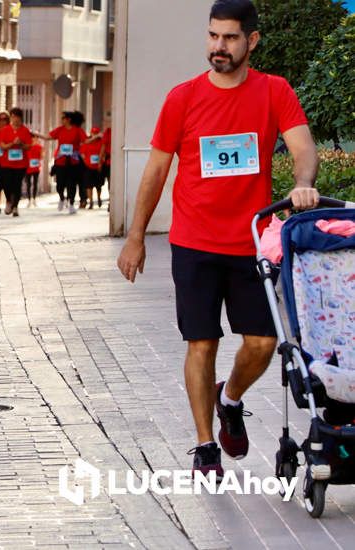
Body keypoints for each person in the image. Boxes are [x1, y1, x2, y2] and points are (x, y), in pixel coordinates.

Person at [116, 0, 319, 478]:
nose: (218, 47)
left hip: (253, 242)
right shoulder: (182, 97)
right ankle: (205, 445)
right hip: (194, 242)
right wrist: (136, 236)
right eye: (212, 36)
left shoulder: (273, 91)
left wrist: (302, 183)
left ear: (251, 41)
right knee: (200, 342)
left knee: (263, 342)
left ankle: (230, 399)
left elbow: (303, 147)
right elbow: (157, 169)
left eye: (229, 38)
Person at [38, 111, 87, 214]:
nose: (61, 120)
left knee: (72, 184)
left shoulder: (77, 130)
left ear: (68, 119)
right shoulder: (60, 130)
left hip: (73, 161)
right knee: (60, 184)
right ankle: (61, 198)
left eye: (63, 118)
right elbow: (48, 137)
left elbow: (85, 140)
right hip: (61, 161)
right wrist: (35, 134)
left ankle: (71, 203)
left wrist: (97, 137)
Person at [0, 107, 33, 217]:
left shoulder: (25, 130)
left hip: (21, 164)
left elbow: (29, 146)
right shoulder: (5, 130)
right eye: (12, 116)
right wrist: (12, 144)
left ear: (20, 118)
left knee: (17, 185)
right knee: (7, 184)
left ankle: (15, 206)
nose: (14, 119)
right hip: (7, 163)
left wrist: (21, 144)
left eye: (16, 116)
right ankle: (8, 201)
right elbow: (1, 145)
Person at [79, 126, 103, 209]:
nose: (95, 135)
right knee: (89, 186)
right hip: (88, 167)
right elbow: (82, 154)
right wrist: (86, 161)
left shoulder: (101, 143)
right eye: (93, 133)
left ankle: (99, 198)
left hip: (98, 167)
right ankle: (91, 202)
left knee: (98, 186)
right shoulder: (87, 143)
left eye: (96, 133)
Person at [25, 137, 43, 207]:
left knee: (35, 183)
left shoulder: (39, 147)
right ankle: (29, 200)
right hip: (28, 168)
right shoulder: (27, 147)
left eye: (36, 139)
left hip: (36, 168)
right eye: (33, 139)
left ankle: (34, 199)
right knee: (28, 184)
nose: (34, 140)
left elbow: (42, 156)